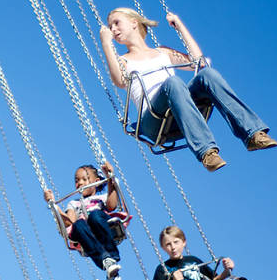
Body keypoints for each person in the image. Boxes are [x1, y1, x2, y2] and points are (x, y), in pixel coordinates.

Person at [101, 9, 275, 171]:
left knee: (207, 74)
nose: (113, 29)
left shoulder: (162, 52)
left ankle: (253, 134)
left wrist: (179, 25)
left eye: (116, 23)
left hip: (181, 109)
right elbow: (119, 81)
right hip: (154, 121)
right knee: (173, 82)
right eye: (110, 27)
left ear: (133, 22)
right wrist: (106, 43)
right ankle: (206, 151)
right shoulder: (123, 61)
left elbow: (198, 63)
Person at [43, 162, 122, 280]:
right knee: (78, 224)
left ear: (96, 181)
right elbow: (69, 223)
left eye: (84, 179)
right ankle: (107, 262)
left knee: (95, 215)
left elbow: (112, 206)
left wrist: (110, 178)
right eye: (77, 180)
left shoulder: (101, 198)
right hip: (84, 232)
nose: (80, 183)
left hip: (100, 224)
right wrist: (54, 206)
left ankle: (111, 256)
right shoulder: (74, 204)